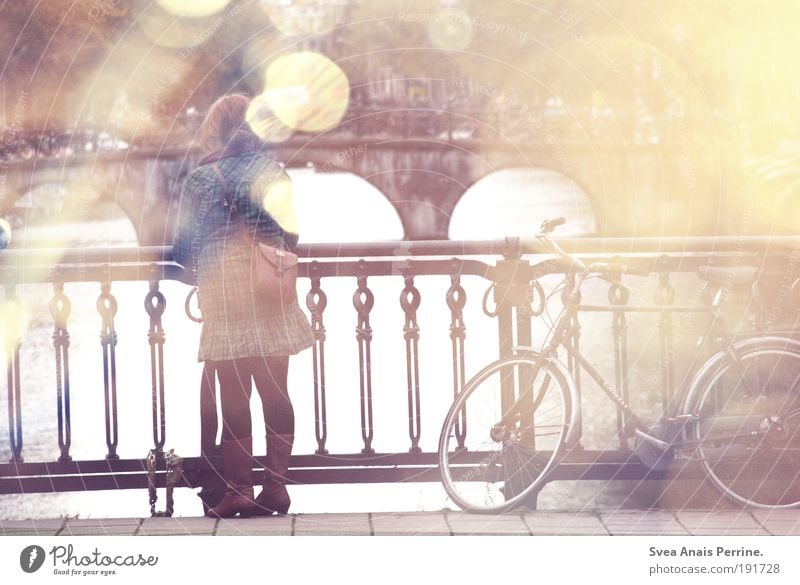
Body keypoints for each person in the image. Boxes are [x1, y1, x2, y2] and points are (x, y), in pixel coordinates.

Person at [173, 94, 314, 518]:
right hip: (272, 290)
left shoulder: (202, 179)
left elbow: (184, 250)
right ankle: (276, 487)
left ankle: (238, 490)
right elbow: (293, 239)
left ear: (214, 131)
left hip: (226, 294)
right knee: (276, 392)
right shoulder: (276, 174)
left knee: (234, 396)